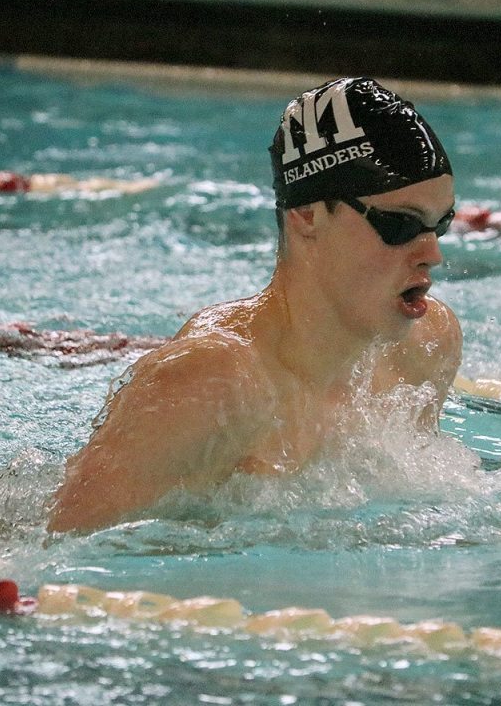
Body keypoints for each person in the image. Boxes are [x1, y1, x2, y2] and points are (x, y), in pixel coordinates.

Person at [48, 77, 462, 532]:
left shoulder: (424, 346)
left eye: (440, 224)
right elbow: (57, 552)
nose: (432, 252)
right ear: (307, 215)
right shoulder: (210, 383)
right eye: (400, 224)